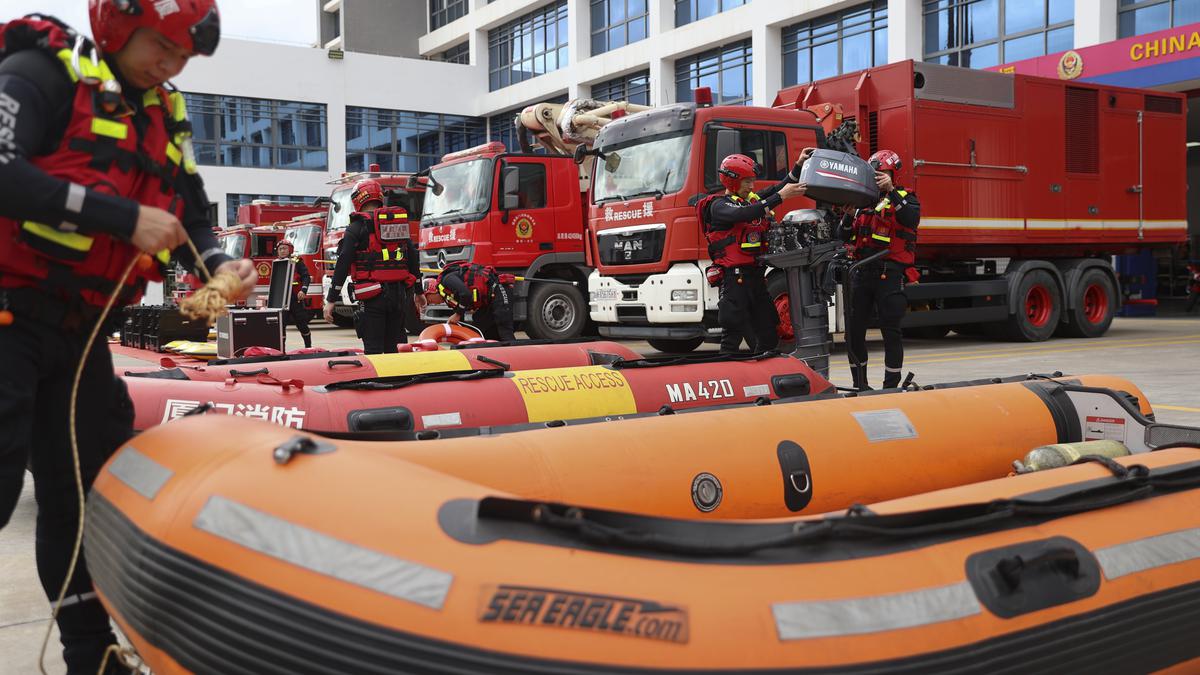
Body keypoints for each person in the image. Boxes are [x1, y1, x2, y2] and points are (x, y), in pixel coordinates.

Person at [0, 4, 255, 673]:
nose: (171, 65)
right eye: (160, 47)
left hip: (81, 337)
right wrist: (120, 216)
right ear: (117, 26)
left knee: (78, 495)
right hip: (7, 316)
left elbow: (190, 215)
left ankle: (92, 655)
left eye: (183, 57)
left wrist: (219, 262)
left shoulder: (165, 117)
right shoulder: (41, 73)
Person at [698, 152, 808, 353]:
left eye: (752, 181)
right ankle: (728, 376)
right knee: (732, 335)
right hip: (735, 279)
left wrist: (799, 164)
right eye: (747, 182)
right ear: (732, 182)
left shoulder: (750, 200)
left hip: (756, 278)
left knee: (769, 333)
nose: (751, 186)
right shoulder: (719, 206)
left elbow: (779, 187)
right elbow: (743, 213)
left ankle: (761, 372)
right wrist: (781, 197)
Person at [840, 149, 922, 390]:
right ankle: (860, 385)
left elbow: (910, 219)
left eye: (882, 173)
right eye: (874, 174)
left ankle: (891, 386)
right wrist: (846, 216)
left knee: (891, 331)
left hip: (890, 273)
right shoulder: (862, 201)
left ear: (892, 174)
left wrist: (891, 192)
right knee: (854, 332)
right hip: (862, 273)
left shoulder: (906, 198)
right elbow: (842, 235)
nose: (877, 177)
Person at [323, 179, 419, 354]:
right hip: (399, 296)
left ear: (358, 199)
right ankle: (399, 379)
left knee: (373, 350)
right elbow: (412, 257)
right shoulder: (397, 225)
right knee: (396, 349)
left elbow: (343, 264)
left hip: (372, 297)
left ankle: (377, 381)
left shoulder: (356, 227)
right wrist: (419, 292)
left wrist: (331, 300)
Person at [419, 262, 516, 341]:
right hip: (488, 302)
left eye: (429, 300)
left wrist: (457, 314)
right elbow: (461, 309)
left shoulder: (447, 280)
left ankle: (516, 355)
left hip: (499, 289)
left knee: (504, 330)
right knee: (481, 328)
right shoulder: (448, 296)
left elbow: (465, 294)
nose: (432, 303)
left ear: (432, 291)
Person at [274, 240, 312, 348]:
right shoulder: (276, 263)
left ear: (290, 250)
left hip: (295, 298)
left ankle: (308, 347)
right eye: (280, 249)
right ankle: (282, 351)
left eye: (284, 248)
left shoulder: (297, 261)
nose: (282, 251)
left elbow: (306, 277)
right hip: (281, 300)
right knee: (281, 326)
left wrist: (303, 290)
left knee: (302, 324)